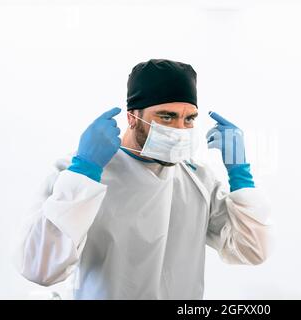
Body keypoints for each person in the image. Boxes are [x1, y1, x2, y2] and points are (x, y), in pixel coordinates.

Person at [16, 59, 272, 299]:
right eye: (167, 116)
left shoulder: (198, 178)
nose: (180, 130)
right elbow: (41, 268)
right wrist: (84, 170)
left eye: (189, 118)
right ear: (131, 117)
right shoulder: (82, 175)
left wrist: (241, 175)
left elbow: (252, 251)